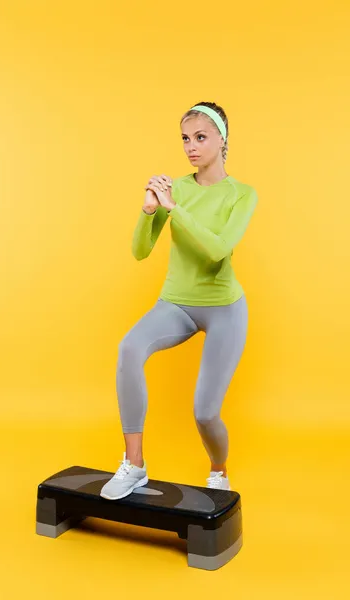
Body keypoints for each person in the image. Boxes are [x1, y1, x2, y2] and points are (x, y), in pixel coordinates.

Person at [100, 101, 258, 501]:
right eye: (186, 138)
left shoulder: (242, 194)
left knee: (205, 413)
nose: (191, 146)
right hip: (176, 304)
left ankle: (218, 469)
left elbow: (218, 250)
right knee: (129, 349)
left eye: (201, 137)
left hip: (224, 308)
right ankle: (134, 463)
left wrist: (175, 209)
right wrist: (148, 209)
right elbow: (140, 250)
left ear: (222, 140)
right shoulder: (176, 186)